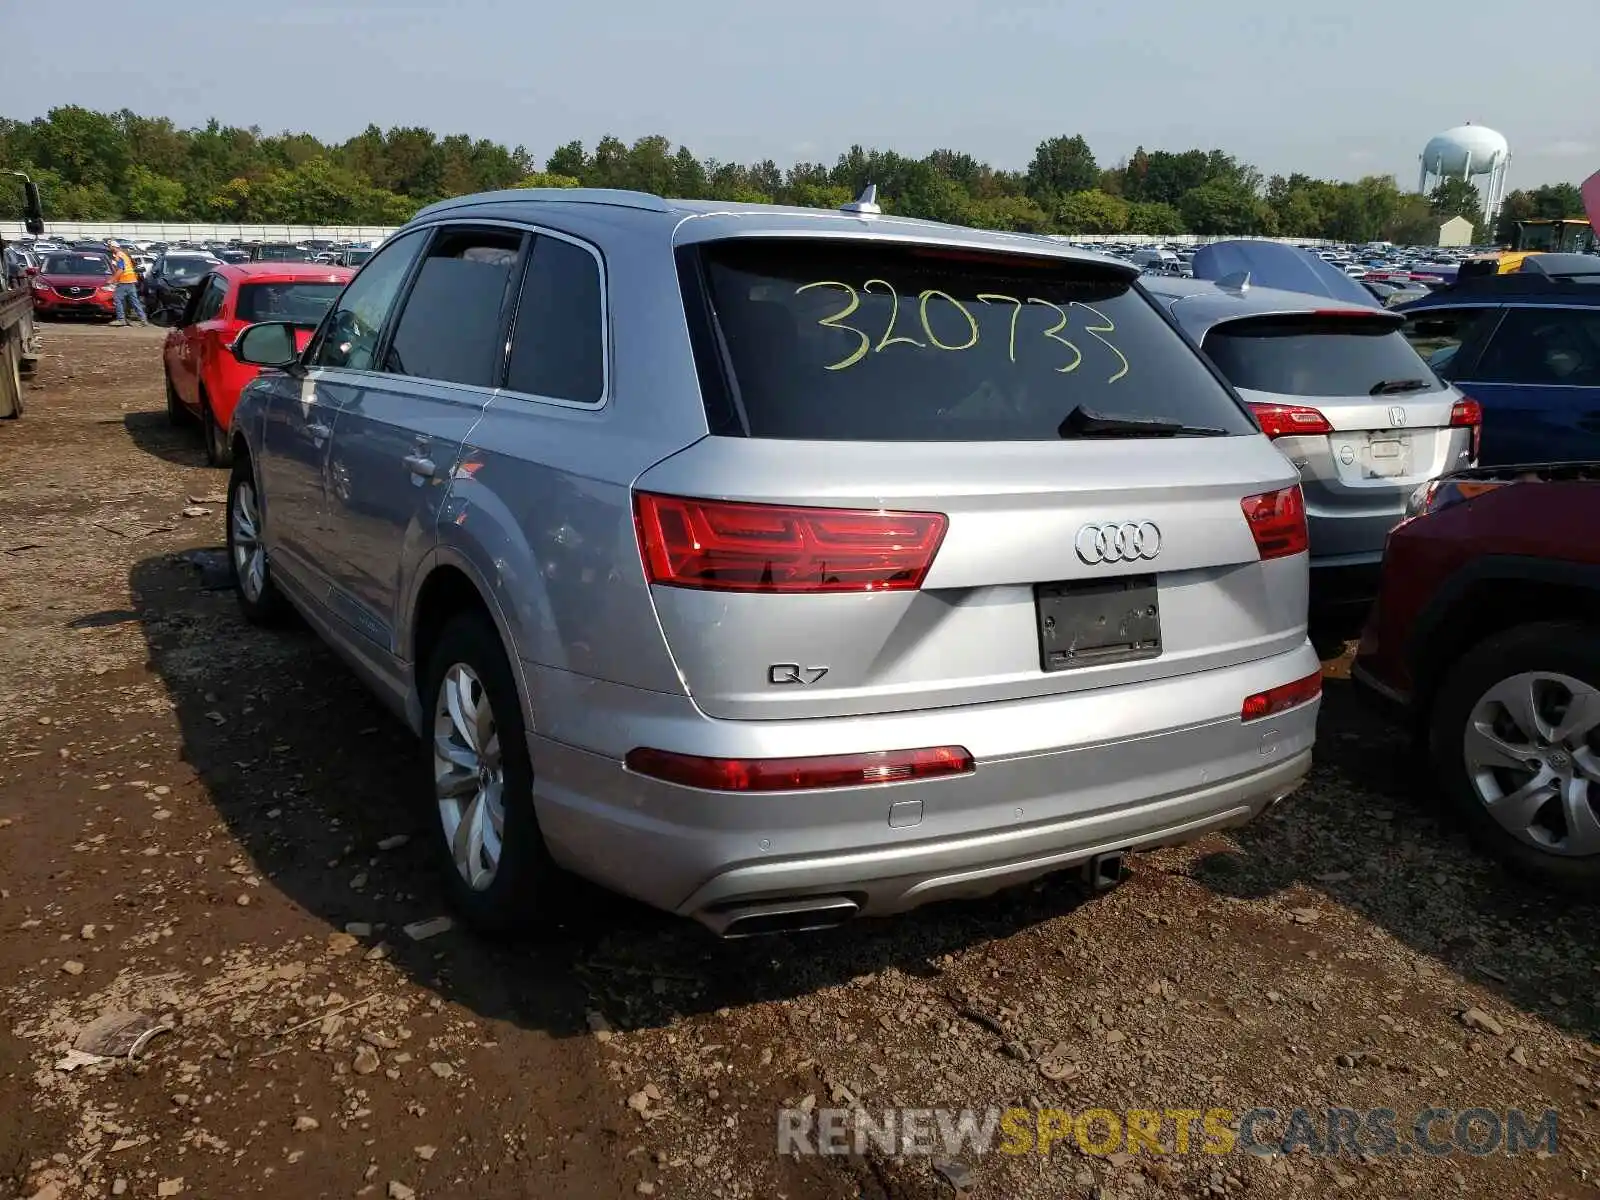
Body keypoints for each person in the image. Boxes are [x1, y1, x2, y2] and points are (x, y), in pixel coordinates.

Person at [106, 240, 148, 326]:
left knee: (117, 299)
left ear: (114, 247)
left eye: (109, 246)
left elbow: (121, 269)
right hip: (131, 280)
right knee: (134, 301)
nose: (109, 248)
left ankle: (121, 319)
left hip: (124, 281)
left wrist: (112, 279)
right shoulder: (124, 255)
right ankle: (143, 319)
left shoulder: (119, 255)